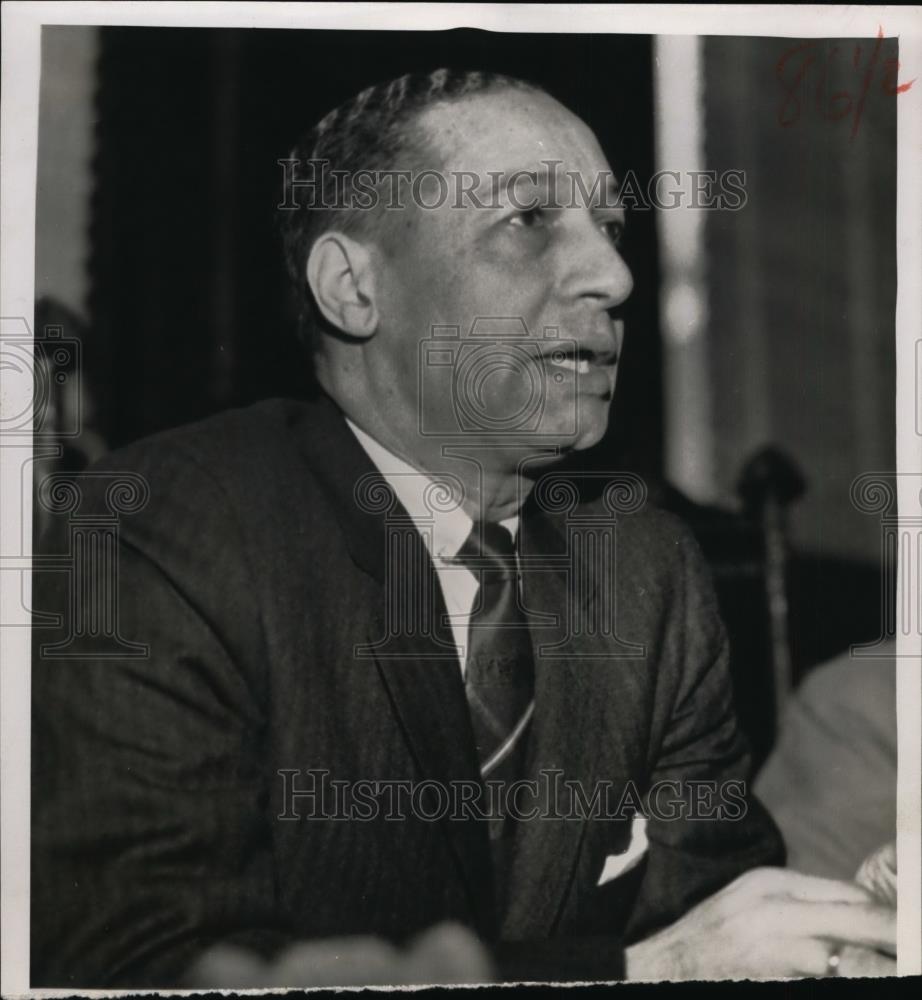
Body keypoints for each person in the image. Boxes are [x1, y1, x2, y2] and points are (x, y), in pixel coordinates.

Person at [31, 69, 896, 986]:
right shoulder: (161, 531)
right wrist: (635, 969)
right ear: (353, 288)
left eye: (610, 227)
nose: (615, 275)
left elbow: (720, 922)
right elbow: (136, 964)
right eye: (529, 221)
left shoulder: (645, 569)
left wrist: (853, 940)